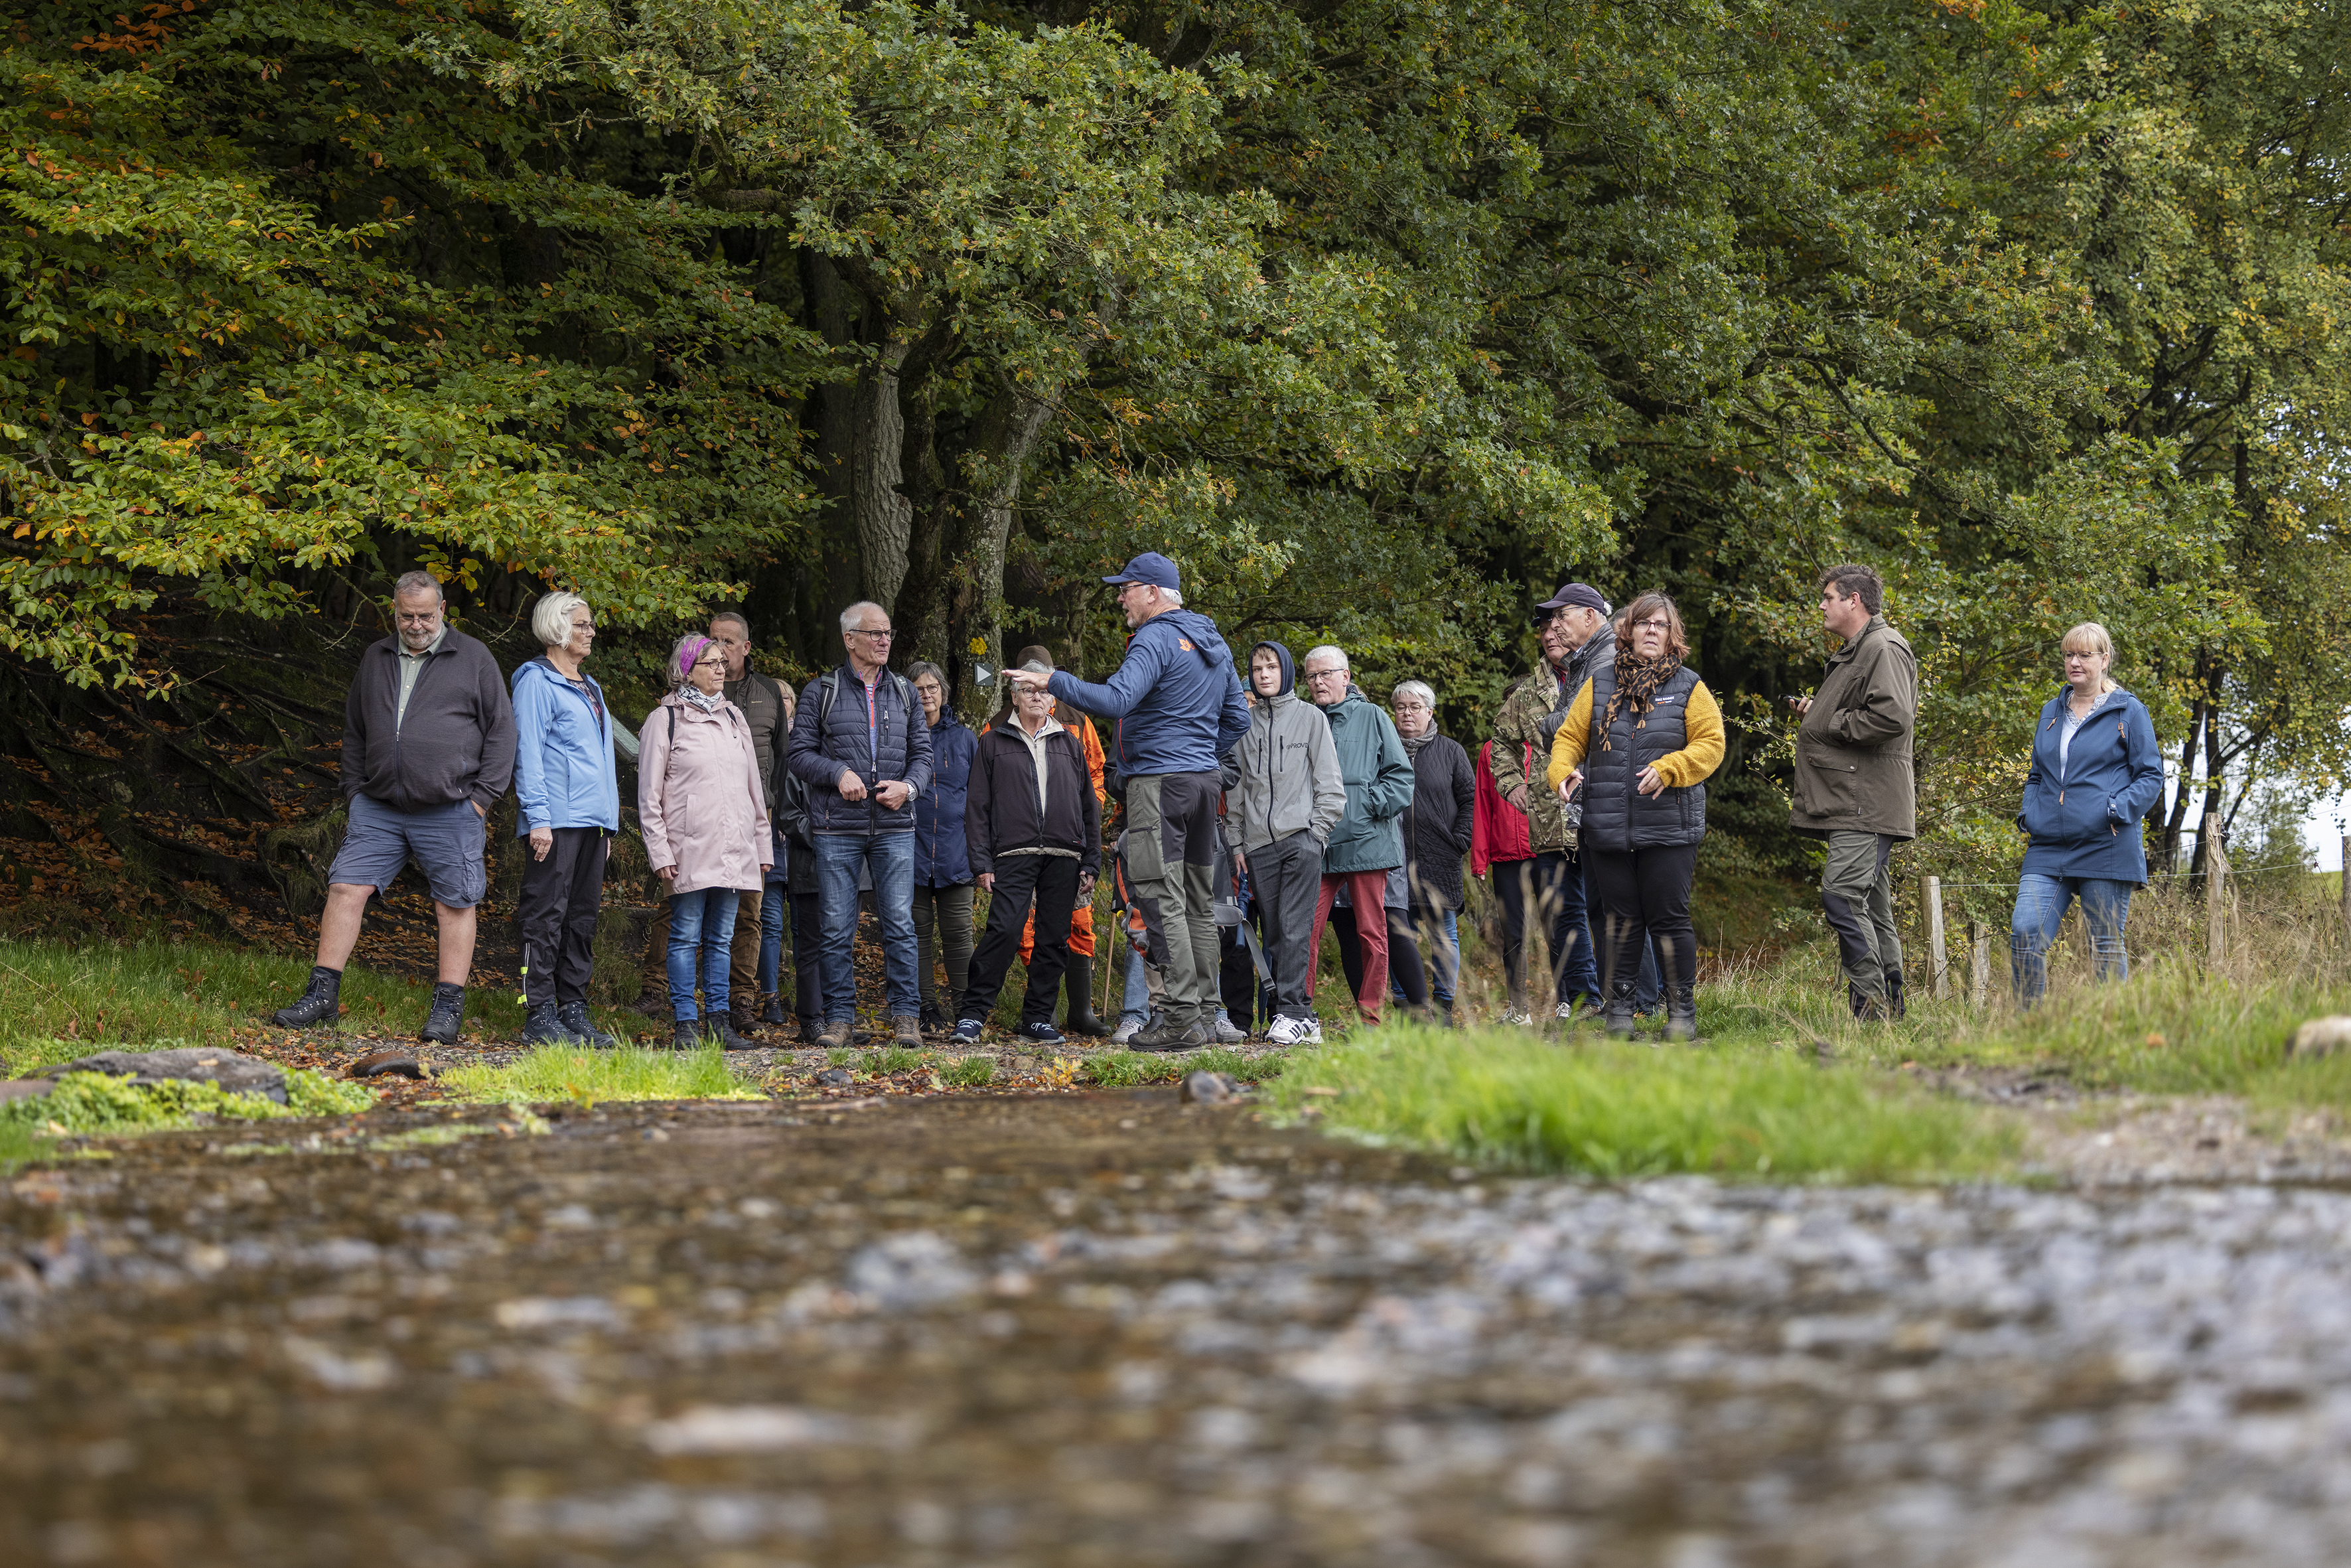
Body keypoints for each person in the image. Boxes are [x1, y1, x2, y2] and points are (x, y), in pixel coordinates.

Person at [1006, 553, 1247, 1052]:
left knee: (1162, 899)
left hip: (1160, 785)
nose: (1119, 597)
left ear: (1154, 592)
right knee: (1201, 902)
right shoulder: (1212, 641)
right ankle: (1202, 1014)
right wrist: (1198, 750)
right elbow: (1238, 721)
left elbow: (1117, 700)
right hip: (1204, 784)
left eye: (1126, 588)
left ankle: (1179, 1018)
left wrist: (1054, 681)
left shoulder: (1155, 638)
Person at [270, 571, 515, 1043]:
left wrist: (482, 800)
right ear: (394, 611)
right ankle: (322, 996)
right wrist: (355, 790)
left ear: (443, 609)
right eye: (407, 615)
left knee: (455, 904)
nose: (417, 624)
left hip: (452, 807)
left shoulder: (474, 658)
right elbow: (356, 727)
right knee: (345, 888)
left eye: (426, 615)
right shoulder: (376, 656)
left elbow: (502, 732)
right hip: (379, 806)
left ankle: (447, 1009)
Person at [1547, 592, 1725, 1040]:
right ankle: (1620, 1015)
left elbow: (1710, 744)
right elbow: (1569, 736)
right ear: (1627, 631)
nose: (1651, 631)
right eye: (1644, 623)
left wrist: (1671, 767)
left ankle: (1681, 1015)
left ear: (1671, 636)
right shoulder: (1600, 682)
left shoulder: (1688, 686)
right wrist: (1561, 771)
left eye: (1660, 625)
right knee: (1619, 922)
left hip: (1669, 826)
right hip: (1607, 825)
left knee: (1668, 919)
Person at [633, 610, 791, 1031]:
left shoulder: (733, 718)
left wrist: (761, 847)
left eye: (724, 662)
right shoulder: (663, 720)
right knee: (685, 936)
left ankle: (718, 1023)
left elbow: (754, 792)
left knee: (722, 939)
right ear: (687, 671)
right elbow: (648, 798)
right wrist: (659, 852)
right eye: (712, 663)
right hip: (688, 850)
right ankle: (687, 1024)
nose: (722, 669)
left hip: (734, 849)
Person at [786, 601, 933, 1050]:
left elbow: (923, 759)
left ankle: (906, 1017)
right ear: (850, 639)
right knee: (834, 927)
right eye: (874, 633)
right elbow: (798, 754)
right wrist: (837, 773)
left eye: (887, 632)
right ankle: (840, 1020)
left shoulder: (906, 692)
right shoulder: (820, 691)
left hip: (894, 826)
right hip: (837, 827)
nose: (884, 640)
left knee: (899, 925)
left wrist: (908, 788)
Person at [2011, 622, 2165, 1005]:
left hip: (2106, 843)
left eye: (2084, 655)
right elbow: (2037, 775)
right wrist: (2031, 812)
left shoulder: (2129, 711)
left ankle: (2112, 1032)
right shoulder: (2051, 711)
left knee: (2106, 945)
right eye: (2068, 655)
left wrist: (2113, 810)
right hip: (2049, 846)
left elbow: (2150, 776)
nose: (2074, 662)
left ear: (2104, 659)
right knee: (2026, 933)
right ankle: (2026, 1030)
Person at [1790, 563, 1918, 1019]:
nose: (1821, 605)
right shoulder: (1855, 651)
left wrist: (1828, 721)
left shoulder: (1882, 647)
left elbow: (1890, 717)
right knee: (1871, 905)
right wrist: (1818, 709)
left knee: (1841, 895)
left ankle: (1871, 1004)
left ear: (1854, 601)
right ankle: (1891, 1009)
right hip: (1854, 799)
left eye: (1828, 597)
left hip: (1866, 802)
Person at [956, 664, 1102, 1044]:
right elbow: (977, 807)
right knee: (1003, 931)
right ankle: (973, 1015)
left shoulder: (1069, 743)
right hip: (1012, 853)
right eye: (1027, 690)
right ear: (1014, 697)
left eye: (1041, 691)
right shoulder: (993, 742)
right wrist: (981, 862)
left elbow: (1088, 804)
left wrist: (1091, 858)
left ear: (1053, 699)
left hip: (1064, 854)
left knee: (1054, 938)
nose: (1035, 696)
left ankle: (1037, 1019)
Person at [1486, 587, 1602, 1023]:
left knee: (1613, 905)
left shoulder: (1602, 671)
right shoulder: (1529, 691)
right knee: (1566, 911)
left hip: (1604, 809)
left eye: (1557, 625)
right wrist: (1511, 783)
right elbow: (1500, 741)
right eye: (1544, 629)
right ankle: (1585, 998)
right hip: (1551, 822)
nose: (1550, 633)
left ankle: (1642, 999)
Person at [510, 592, 620, 1048]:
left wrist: (608, 824)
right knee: (546, 915)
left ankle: (573, 1005)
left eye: (591, 624)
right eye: (581, 624)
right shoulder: (535, 681)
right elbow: (528, 753)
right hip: (554, 821)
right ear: (556, 627)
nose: (590, 631)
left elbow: (603, 760)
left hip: (592, 823)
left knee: (581, 918)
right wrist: (538, 817)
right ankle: (539, 1012)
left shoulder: (589, 686)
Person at [1222, 641, 1346, 1045]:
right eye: (1257, 669)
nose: (1264, 675)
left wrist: (1317, 835)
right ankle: (1305, 1016)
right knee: (1276, 934)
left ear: (1286, 671)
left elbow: (1330, 783)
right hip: (1258, 846)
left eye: (1271, 667)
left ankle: (1289, 1012)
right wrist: (1237, 844)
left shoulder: (1311, 718)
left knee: (1294, 929)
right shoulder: (1245, 724)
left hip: (1301, 841)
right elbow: (1238, 791)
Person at [1301, 645, 1423, 1028]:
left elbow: (1401, 778)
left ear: (1346, 676)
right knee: (1305, 929)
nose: (1319, 682)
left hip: (1368, 843)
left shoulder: (1372, 716)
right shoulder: (1305, 719)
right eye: (1311, 677)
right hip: (1318, 844)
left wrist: (1367, 805)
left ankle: (1371, 1017)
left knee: (1372, 932)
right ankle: (1298, 1013)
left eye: (1326, 674)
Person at [1000, 645, 1112, 1038]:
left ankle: (1080, 1011)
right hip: (1019, 846)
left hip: (1070, 842)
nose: (1035, 688)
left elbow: (1096, 775)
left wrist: (1087, 816)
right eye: (1026, 680)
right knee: (1025, 927)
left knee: (1078, 923)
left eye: (1042, 678)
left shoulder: (1078, 721)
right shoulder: (998, 724)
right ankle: (1041, 1011)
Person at [1393, 680, 1476, 1023]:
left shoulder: (1451, 751)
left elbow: (1470, 800)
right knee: (1400, 934)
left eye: (1415, 707)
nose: (1407, 713)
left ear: (1430, 712)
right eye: (1401, 707)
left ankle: (1443, 1008)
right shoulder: (1384, 747)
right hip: (1393, 858)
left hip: (1441, 855)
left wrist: (1460, 839)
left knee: (1444, 935)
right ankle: (1407, 1008)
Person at [908, 660, 978, 1031]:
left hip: (957, 853)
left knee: (958, 936)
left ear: (943, 692)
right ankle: (925, 1010)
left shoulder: (965, 738)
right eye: (919, 689)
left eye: (932, 688)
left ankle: (966, 1011)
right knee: (917, 937)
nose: (926, 695)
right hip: (912, 853)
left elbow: (981, 798)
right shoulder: (900, 735)